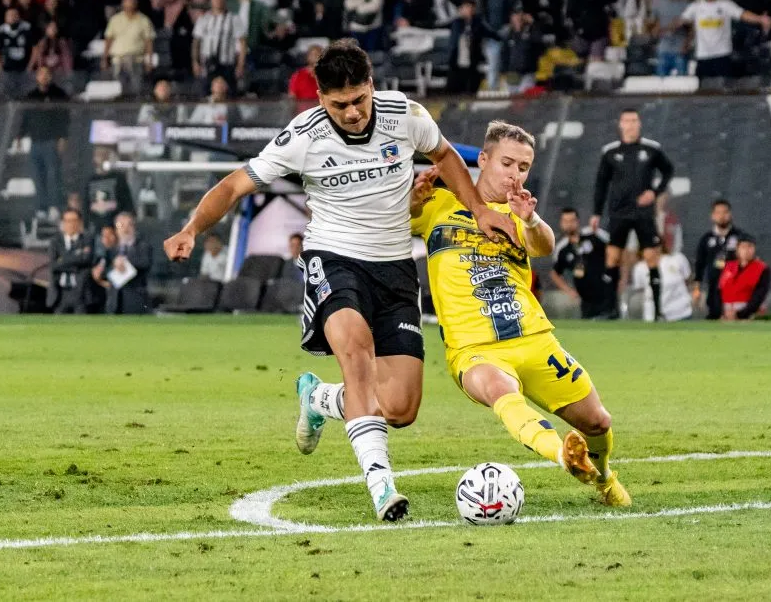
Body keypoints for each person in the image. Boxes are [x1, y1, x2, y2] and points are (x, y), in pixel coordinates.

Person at [162, 39, 517, 522]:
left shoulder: (403, 113)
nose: (352, 113)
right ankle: (382, 488)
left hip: (394, 268)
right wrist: (191, 228)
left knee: (400, 407)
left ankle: (317, 398)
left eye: (358, 100)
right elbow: (234, 185)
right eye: (338, 105)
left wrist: (477, 209)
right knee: (355, 353)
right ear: (320, 99)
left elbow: (446, 155)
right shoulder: (302, 136)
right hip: (334, 258)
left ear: (372, 86)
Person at [409, 121, 632, 507]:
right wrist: (411, 202)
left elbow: (544, 246)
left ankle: (604, 479)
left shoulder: (519, 213)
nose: (514, 174)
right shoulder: (438, 204)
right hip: (473, 348)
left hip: (533, 339)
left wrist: (529, 218)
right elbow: (388, 223)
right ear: (483, 160)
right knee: (501, 391)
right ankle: (563, 454)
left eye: (523, 167)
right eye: (507, 163)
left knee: (598, 422)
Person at [591, 109, 674, 320]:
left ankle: (657, 312)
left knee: (651, 257)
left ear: (639, 124)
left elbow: (668, 170)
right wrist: (596, 212)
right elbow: (601, 183)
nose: (631, 124)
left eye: (634, 120)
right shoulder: (610, 152)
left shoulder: (651, 149)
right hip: (618, 212)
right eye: (627, 120)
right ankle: (611, 310)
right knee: (612, 258)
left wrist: (654, 192)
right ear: (620, 124)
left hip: (643, 213)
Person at [679, 0, 771, 78]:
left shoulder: (725, 4)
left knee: (724, 87)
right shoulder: (695, 6)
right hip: (703, 55)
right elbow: (682, 21)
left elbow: (743, 14)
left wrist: (760, 19)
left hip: (722, 53)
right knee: (703, 89)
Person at [21, 65, 69, 220]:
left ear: (51, 76)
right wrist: (20, 135)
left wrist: (63, 138)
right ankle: (41, 207)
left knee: (53, 175)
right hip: (35, 142)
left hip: (51, 142)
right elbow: (26, 118)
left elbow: (64, 118)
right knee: (38, 176)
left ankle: (55, 206)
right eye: (41, 74)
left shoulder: (59, 95)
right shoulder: (31, 96)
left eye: (47, 74)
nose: (44, 77)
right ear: (36, 77)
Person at [549, 207, 609, 319]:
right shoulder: (562, 248)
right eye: (565, 221)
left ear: (577, 221)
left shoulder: (593, 234)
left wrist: (620, 279)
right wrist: (570, 291)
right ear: (561, 223)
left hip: (607, 293)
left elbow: (616, 250)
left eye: (572, 220)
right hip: (585, 298)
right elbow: (554, 273)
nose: (569, 224)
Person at [693, 198, 746, 319]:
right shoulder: (706, 239)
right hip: (714, 287)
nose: (722, 216)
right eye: (718, 212)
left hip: (735, 288)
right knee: (714, 316)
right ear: (712, 216)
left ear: (730, 214)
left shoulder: (739, 236)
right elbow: (699, 264)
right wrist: (697, 289)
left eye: (725, 212)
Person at [192, 0, 247, 93]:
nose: (218, 0)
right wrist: (195, 62)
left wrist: (240, 65)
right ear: (211, 0)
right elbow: (196, 42)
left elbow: (242, 43)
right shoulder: (203, 19)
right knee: (206, 93)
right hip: (208, 63)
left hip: (227, 63)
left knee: (230, 94)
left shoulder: (234, 19)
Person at [99, 211, 153, 314]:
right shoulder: (112, 250)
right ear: (116, 229)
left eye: (129, 225)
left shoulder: (143, 246)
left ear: (134, 227)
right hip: (115, 302)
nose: (125, 229)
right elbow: (104, 273)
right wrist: (114, 266)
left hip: (135, 300)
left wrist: (125, 262)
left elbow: (145, 263)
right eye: (121, 225)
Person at [631, 243, 693, 321]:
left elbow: (688, 279)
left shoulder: (677, 259)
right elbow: (640, 289)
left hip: (681, 312)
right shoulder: (640, 267)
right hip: (652, 314)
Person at [49, 208, 93, 314]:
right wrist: (76, 261)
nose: (71, 224)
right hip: (60, 294)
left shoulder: (88, 239)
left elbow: (87, 260)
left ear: (80, 222)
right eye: (67, 221)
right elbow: (54, 265)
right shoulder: (55, 241)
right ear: (63, 223)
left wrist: (63, 260)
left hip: (80, 293)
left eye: (74, 220)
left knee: (80, 328)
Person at [719, 234, 771, 320]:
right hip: (726, 315)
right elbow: (719, 291)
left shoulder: (761, 269)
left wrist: (740, 314)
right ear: (737, 249)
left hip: (749, 316)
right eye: (743, 247)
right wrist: (722, 312)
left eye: (750, 247)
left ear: (754, 248)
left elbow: (759, 296)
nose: (746, 250)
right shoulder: (728, 266)